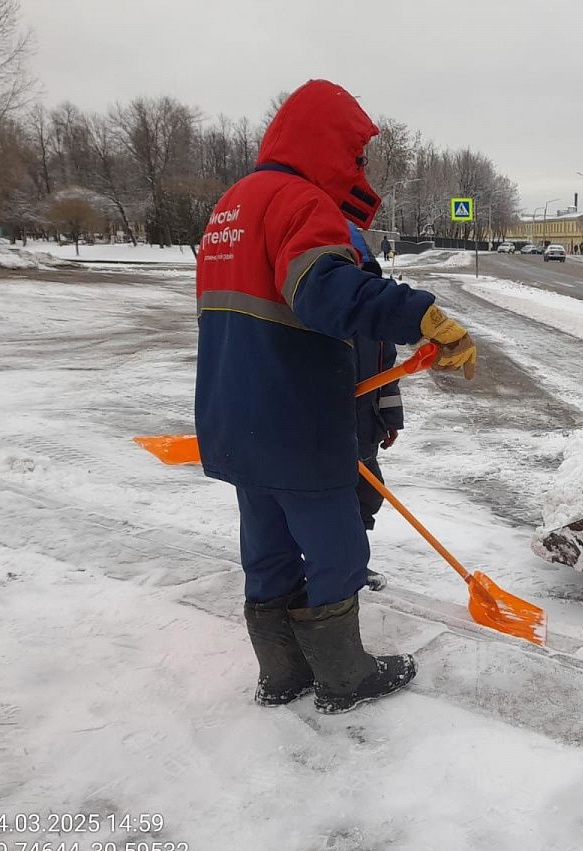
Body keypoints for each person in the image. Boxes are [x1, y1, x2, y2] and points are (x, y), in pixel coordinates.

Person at [195, 79, 477, 715]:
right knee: (337, 548)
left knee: (265, 545)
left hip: (233, 417)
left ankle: (281, 674)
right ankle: (343, 678)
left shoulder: (231, 207)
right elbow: (323, 293)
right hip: (297, 421)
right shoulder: (302, 202)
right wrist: (421, 315)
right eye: (354, 156)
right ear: (323, 143)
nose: (358, 171)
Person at [347, 223, 400, 593]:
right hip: (327, 430)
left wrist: (391, 419)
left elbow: (387, 371)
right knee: (332, 503)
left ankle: (353, 562)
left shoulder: (372, 320)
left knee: (369, 494)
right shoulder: (316, 316)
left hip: (365, 426)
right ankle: (339, 568)